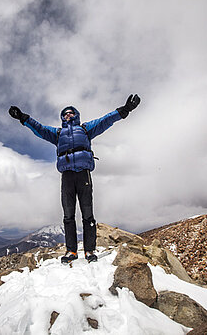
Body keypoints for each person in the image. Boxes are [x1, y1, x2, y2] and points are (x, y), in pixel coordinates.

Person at [9, 94, 141, 263]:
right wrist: (22, 117)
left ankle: (89, 251)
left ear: (76, 115)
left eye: (71, 113)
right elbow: (39, 128)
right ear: (62, 118)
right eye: (65, 114)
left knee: (88, 214)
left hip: (83, 174)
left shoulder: (85, 129)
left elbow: (105, 121)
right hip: (67, 177)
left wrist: (125, 110)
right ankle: (71, 251)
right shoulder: (57, 134)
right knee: (68, 215)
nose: (68, 115)